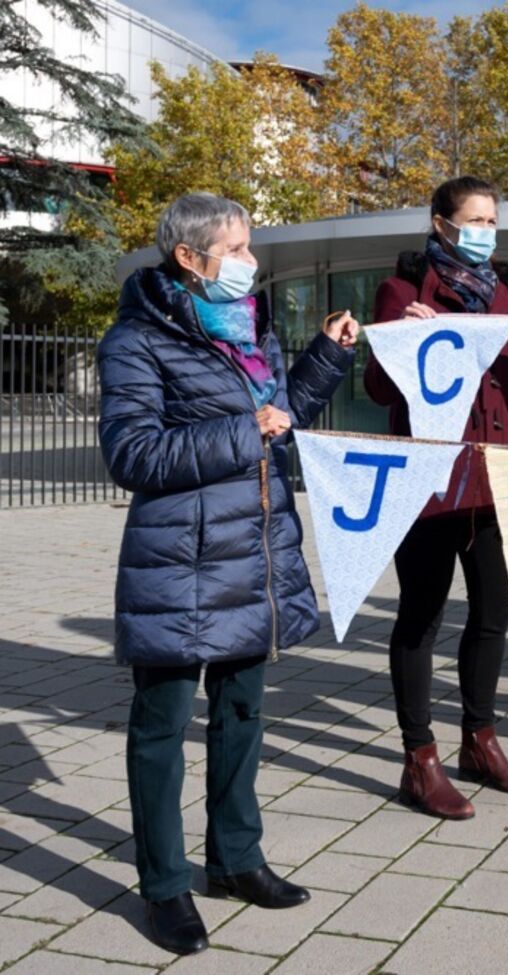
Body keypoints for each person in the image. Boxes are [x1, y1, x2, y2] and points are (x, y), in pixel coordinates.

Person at [99, 193, 357, 955]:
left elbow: (281, 417)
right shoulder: (136, 339)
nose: (250, 261)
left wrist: (325, 356)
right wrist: (243, 430)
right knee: (162, 725)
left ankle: (236, 858)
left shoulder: (251, 329)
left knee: (243, 712)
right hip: (178, 562)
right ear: (190, 257)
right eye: (236, 248)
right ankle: (164, 885)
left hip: (253, 554)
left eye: (249, 246)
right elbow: (133, 454)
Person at [365, 176, 508, 820]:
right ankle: (420, 759)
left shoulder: (505, 291)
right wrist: (404, 342)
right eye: (474, 220)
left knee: (495, 608)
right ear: (441, 223)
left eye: (492, 221)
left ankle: (480, 740)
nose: (485, 231)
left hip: (492, 477)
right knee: (421, 616)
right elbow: (378, 389)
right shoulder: (402, 290)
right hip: (427, 480)